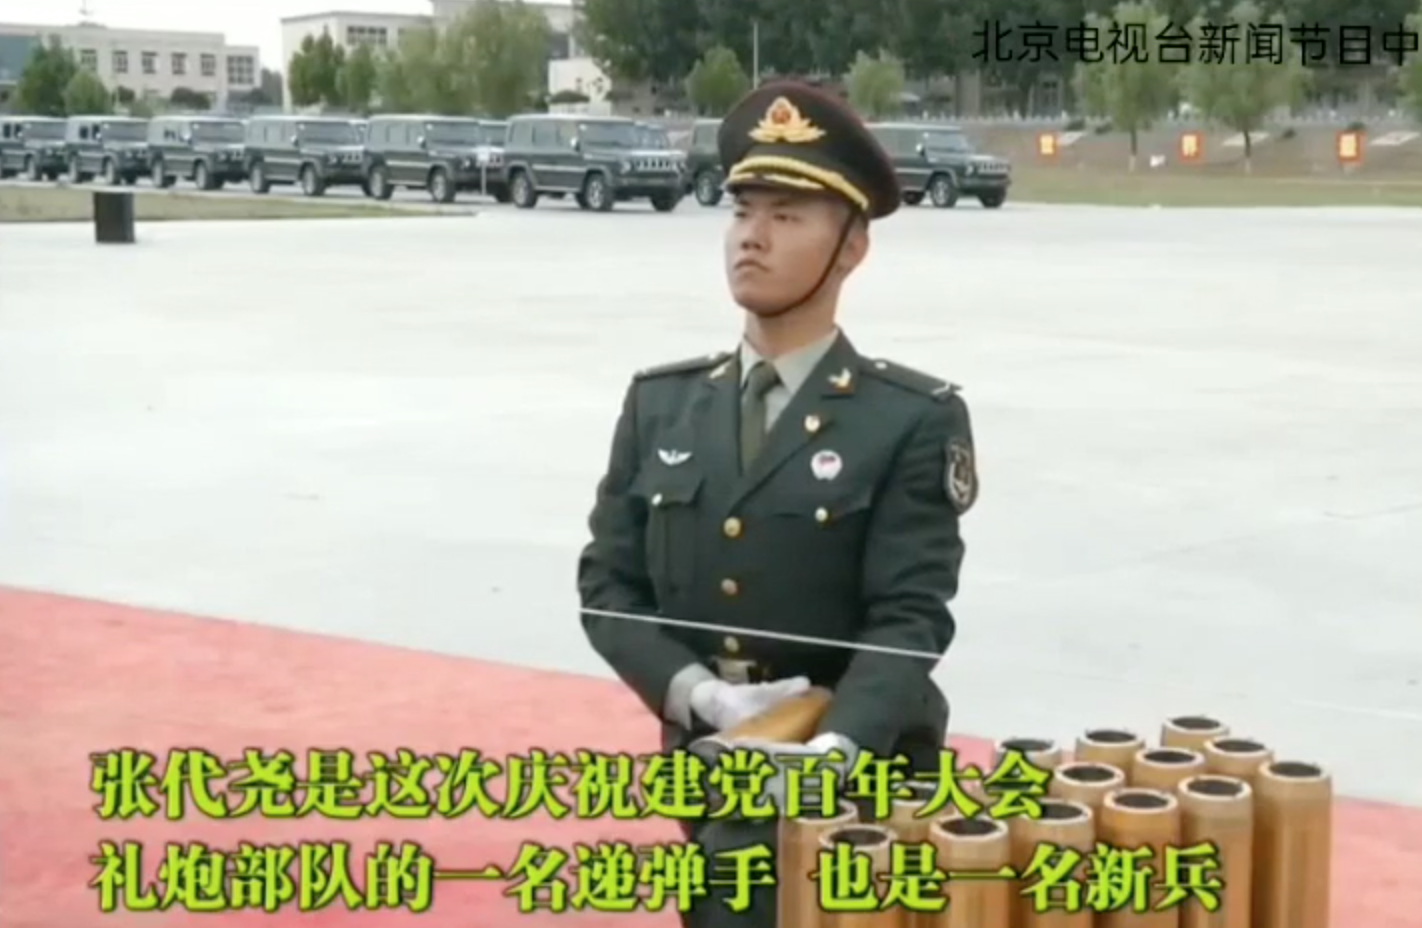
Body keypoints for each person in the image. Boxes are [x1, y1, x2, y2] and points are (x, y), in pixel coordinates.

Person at [577, 79, 978, 927]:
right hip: (713, 766)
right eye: (741, 211)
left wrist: (832, 750)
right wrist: (701, 696)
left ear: (851, 248)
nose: (751, 237)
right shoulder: (663, 405)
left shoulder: (909, 418)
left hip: (858, 783)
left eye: (787, 216)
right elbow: (608, 590)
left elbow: (909, 618)